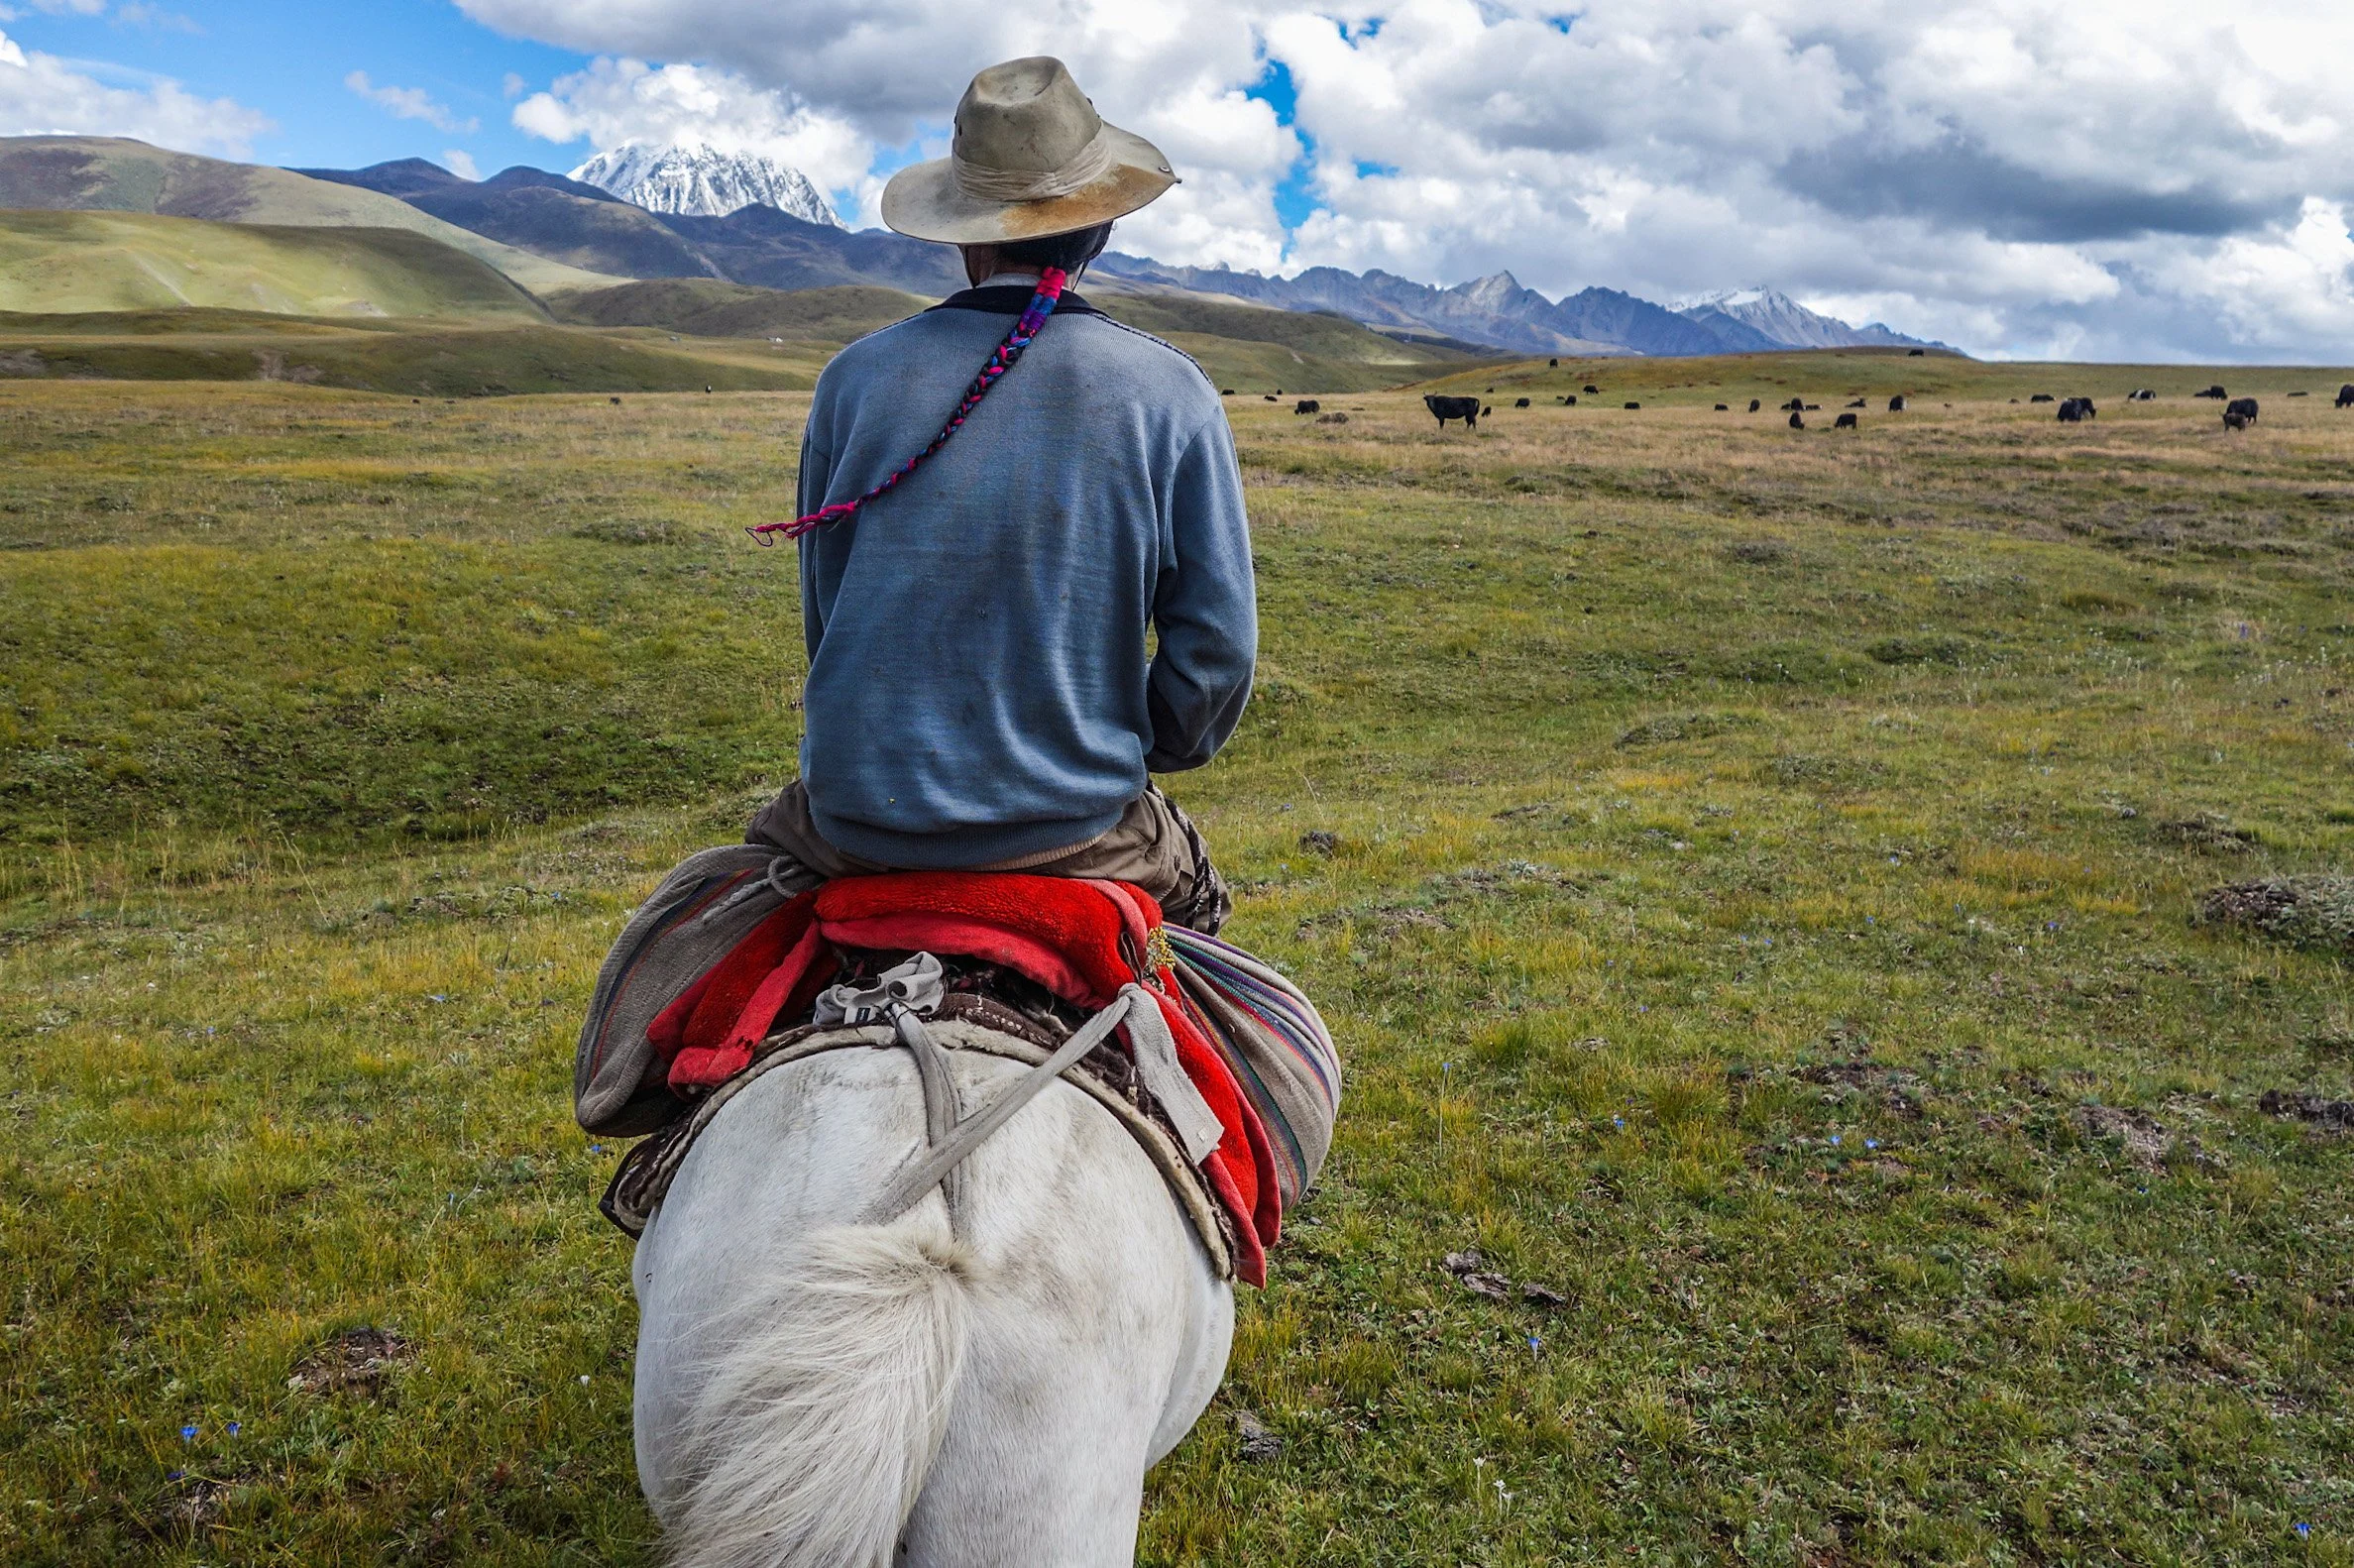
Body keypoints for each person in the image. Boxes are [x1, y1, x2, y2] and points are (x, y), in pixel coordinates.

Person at [744, 56, 1255, 934]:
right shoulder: (1169, 389)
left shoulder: (852, 379)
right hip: (1075, 826)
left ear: (965, 235)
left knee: (708, 932)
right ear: (1099, 230)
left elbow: (826, 613)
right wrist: (1150, 745)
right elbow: (1216, 649)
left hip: (854, 819)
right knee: (1215, 968)